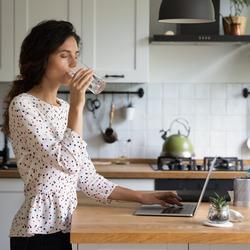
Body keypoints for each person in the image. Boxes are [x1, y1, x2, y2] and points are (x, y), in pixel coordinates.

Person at [2, 20, 182, 250]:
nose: (75, 63)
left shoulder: (64, 108)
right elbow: (65, 162)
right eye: (65, 55)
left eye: (76, 55)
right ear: (42, 57)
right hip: (37, 231)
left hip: (67, 226)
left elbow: (86, 177)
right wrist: (78, 106)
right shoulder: (23, 105)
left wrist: (142, 196)